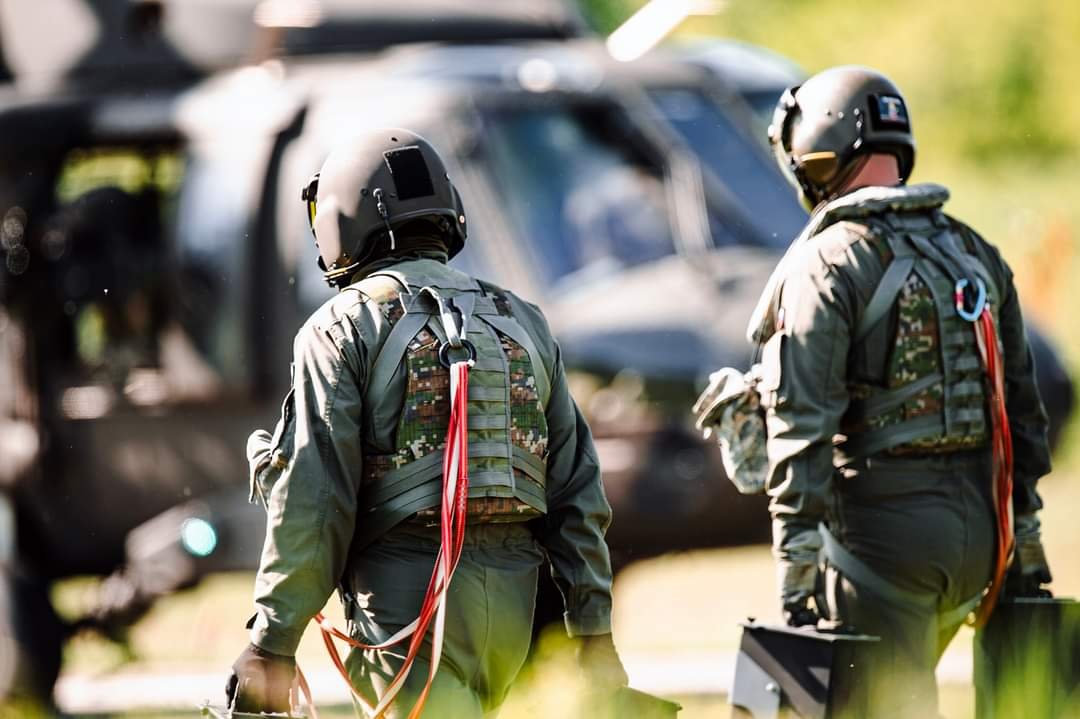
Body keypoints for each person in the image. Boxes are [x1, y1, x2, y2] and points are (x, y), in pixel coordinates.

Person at [224, 129, 626, 717]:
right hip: (512, 610)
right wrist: (593, 631)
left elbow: (316, 497)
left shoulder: (341, 327)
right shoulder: (522, 320)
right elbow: (577, 488)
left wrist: (271, 641)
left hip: (404, 607)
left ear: (341, 218)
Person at [755, 66, 1052, 716]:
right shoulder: (973, 250)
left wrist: (796, 570)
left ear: (818, 149)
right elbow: (1024, 413)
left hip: (882, 544)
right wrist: (1025, 539)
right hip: (984, 541)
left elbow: (802, 427)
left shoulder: (827, 261)